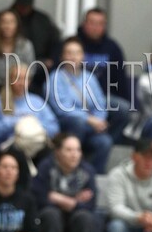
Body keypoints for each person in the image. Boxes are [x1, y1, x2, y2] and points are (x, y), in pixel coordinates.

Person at [47, 36, 126, 173]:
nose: (73, 57)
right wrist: (89, 119)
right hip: (69, 124)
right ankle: (71, 166)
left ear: (83, 56)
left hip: (91, 125)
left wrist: (100, 120)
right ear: (62, 56)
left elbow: (100, 102)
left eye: (77, 53)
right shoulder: (55, 78)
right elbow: (62, 108)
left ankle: (93, 176)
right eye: (69, 53)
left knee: (105, 141)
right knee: (78, 122)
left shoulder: (89, 77)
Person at [31, 133, 97, 232]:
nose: (74, 155)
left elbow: (90, 204)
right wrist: (75, 200)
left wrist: (58, 198)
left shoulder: (87, 171)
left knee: (85, 217)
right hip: (51, 220)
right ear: (58, 152)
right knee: (50, 213)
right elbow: (40, 198)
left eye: (77, 150)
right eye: (69, 150)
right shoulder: (46, 167)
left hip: (75, 220)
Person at [0, 64, 59, 173]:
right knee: (17, 154)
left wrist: (35, 126)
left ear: (29, 81)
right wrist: (16, 124)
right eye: (17, 78)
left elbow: (54, 127)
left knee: (49, 154)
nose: (21, 82)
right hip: (9, 146)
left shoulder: (37, 101)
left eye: (24, 79)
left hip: (36, 145)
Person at [77, 6, 132, 110]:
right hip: (75, 95)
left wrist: (126, 101)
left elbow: (120, 80)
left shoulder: (113, 48)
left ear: (104, 26)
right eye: (92, 23)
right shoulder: (73, 44)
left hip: (104, 97)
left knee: (124, 108)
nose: (95, 27)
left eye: (99, 24)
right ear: (84, 24)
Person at [11, 0, 60, 75]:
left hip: (40, 67)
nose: (23, 8)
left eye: (26, 5)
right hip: (10, 66)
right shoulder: (4, 19)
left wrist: (51, 60)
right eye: (21, 4)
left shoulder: (43, 20)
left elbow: (55, 42)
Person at [0, 9, 35, 90]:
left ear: (17, 25)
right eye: (4, 22)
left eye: (11, 22)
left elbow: (31, 69)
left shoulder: (25, 45)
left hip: (20, 87)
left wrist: (18, 83)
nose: (7, 26)